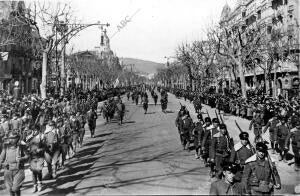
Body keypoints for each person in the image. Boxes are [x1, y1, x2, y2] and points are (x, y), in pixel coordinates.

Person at [0, 131, 29, 196]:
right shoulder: (6, 147)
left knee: (15, 188)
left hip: (19, 170)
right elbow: (1, 158)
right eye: (10, 138)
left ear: (17, 138)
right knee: (10, 189)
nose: (12, 139)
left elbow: (27, 156)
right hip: (8, 170)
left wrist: (22, 158)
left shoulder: (22, 147)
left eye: (14, 138)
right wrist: (2, 163)